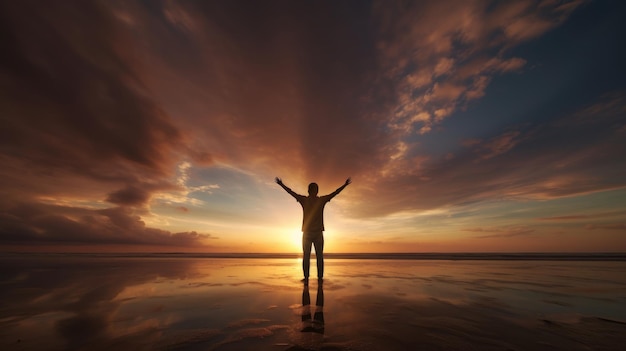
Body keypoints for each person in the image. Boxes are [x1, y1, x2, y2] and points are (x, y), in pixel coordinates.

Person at [275, 177, 351, 284]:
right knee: (319, 256)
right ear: (316, 191)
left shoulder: (305, 200)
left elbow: (291, 193)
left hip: (308, 233)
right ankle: (319, 278)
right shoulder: (320, 200)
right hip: (317, 233)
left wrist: (281, 184)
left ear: (308, 191)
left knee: (307, 256)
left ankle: (306, 278)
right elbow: (334, 193)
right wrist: (345, 185)